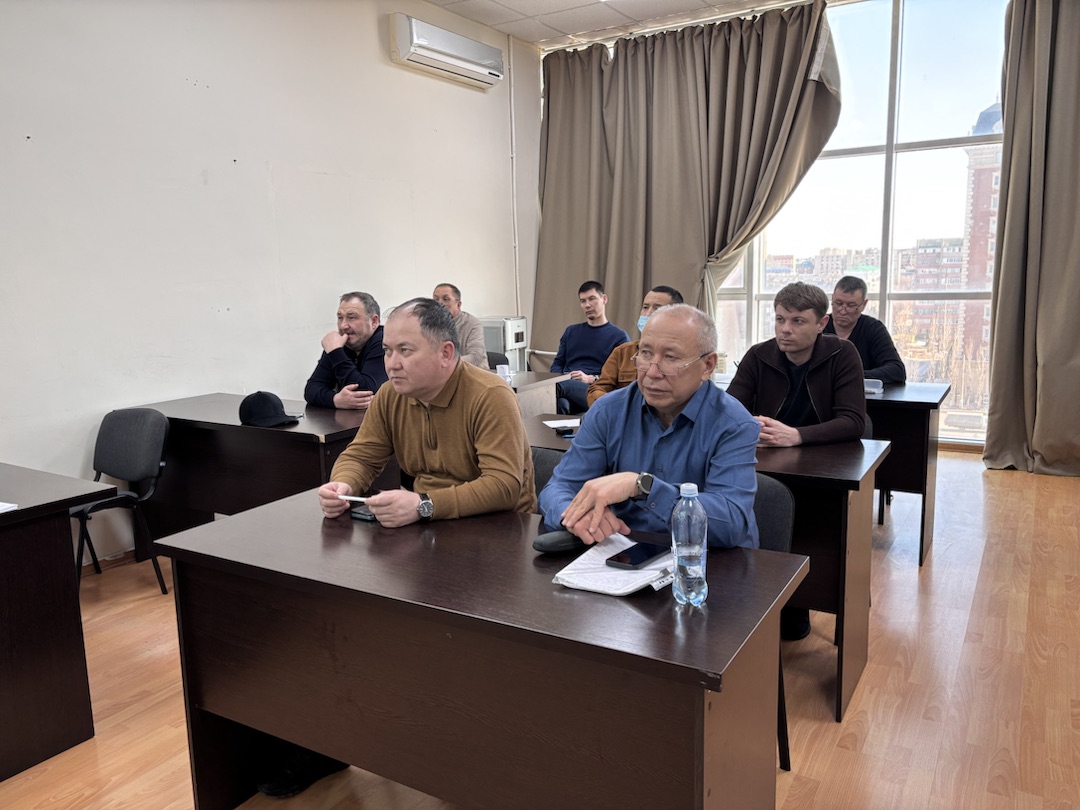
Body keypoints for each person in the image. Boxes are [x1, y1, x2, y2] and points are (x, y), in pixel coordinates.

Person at [539, 304, 759, 550]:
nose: (652, 372)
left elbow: (729, 524)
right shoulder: (608, 411)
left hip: (707, 561)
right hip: (624, 552)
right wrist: (576, 516)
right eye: (645, 353)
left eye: (670, 358)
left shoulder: (734, 424)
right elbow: (558, 488)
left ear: (707, 365)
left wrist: (643, 487)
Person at [727, 281, 866, 641]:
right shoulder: (759, 355)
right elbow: (728, 410)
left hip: (824, 467)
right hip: (768, 462)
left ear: (822, 324)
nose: (785, 330)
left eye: (797, 321)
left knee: (815, 533)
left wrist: (798, 435)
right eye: (780, 319)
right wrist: (750, 426)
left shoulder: (843, 354)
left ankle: (798, 603)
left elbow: (853, 421)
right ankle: (764, 605)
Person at [318, 297, 536, 525]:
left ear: (445, 353)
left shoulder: (490, 395)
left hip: (499, 527)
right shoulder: (390, 395)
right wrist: (343, 485)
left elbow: (503, 486)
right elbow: (361, 457)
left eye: (405, 350)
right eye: (387, 351)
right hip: (429, 522)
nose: (392, 364)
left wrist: (425, 505)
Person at [586, 285, 683, 406]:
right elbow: (596, 390)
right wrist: (617, 406)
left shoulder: (683, 355)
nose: (648, 313)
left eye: (657, 309)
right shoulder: (623, 352)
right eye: (645, 307)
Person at [550, 281, 630, 414]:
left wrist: (591, 378)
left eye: (592, 299)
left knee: (549, 389)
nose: (587, 305)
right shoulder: (571, 331)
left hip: (595, 389)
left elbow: (621, 377)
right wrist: (564, 376)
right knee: (561, 404)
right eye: (583, 301)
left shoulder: (619, 336)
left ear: (604, 299)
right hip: (567, 384)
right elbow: (557, 364)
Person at [304, 291, 388, 409]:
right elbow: (311, 390)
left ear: (374, 321)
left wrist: (336, 353)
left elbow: (366, 393)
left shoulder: (385, 342)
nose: (343, 325)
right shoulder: (339, 344)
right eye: (340, 318)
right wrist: (335, 399)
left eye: (351, 318)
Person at [823, 275, 907, 383]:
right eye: (838, 303)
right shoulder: (819, 326)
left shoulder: (873, 329)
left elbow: (897, 370)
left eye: (851, 305)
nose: (843, 311)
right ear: (832, 299)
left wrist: (852, 376)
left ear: (863, 305)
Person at [432, 283, 489, 369]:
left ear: (458, 305)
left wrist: (446, 363)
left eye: (446, 299)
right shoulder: (429, 324)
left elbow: (476, 357)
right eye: (436, 299)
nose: (439, 303)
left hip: (472, 373)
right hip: (441, 373)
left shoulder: (472, 323)